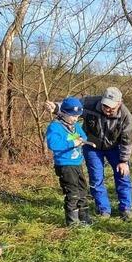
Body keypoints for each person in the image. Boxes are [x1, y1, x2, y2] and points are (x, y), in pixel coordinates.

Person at [46, 87, 132, 221]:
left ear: (119, 103)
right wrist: (56, 107)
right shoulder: (90, 102)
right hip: (92, 146)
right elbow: (71, 106)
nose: (107, 109)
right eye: (105, 105)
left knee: (123, 176)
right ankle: (103, 210)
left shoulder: (126, 116)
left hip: (115, 147)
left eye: (111, 107)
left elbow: (127, 140)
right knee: (96, 178)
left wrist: (124, 161)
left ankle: (126, 208)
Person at [46, 97, 91, 226]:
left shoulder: (75, 126)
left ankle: (84, 217)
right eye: (72, 116)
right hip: (65, 165)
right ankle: (73, 222)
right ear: (63, 113)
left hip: (77, 163)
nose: (75, 119)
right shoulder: (55, 127)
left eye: (77, 116)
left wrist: (79, 139)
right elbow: (53, 144)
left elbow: (83, 136)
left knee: (82, 190)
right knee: (72, 193)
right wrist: (72, 142)